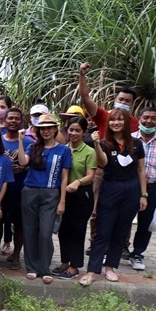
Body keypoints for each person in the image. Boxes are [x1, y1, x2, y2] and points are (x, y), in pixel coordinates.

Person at [81, 109, 147, 285]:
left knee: (120, 231)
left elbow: (141, 170)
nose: (116, 123)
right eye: (112, 120)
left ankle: (110, 267)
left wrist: (143, 194)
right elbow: (103, 163)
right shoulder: (104, 143)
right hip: (110, 188)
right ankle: (92, 271)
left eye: (120, 120)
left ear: (126, 122)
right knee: (103, 231)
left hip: (131, 189)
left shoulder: (136, 144)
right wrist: (96, 144)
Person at [17, 113, 72, 284]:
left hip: (51, 194)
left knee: (46, 233)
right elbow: (23, 162)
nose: (46, 131)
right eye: (42, 128)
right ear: (37, 130)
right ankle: (32, 267)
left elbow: (64, 177)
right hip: (30, 192)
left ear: (56, 129)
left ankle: (45, 268)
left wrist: (62, 200)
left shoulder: (64, 150)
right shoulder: (33, 147)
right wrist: (20, 141)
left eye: (49, 128)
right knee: (30, 230)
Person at [53, 117, 96, 279]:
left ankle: (74, 266)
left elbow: (91, 175)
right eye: (71, 130)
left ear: (84, 133)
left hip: (81, 195)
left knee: (77, 231)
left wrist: (77, 182)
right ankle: (64, 262)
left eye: (78, 130)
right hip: (63, 194)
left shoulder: (89, 151)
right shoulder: (63, 149)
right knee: (63, 229)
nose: (74, 133)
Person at [1, 108, 34, 269]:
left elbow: (33, 165)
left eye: (17, 118)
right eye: (10, 118)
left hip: (20, 190)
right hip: (1, 191)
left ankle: (16, 255)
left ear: (22, 122)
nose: (13, 121)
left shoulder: (28, 142)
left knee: (19, 225)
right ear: (5, 121)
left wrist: (24, 168)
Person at [78, 62, 139, 140]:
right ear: (115, 100)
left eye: (127, 101)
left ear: (132, 104)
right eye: (120, 99)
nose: (123, 102)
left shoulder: (137, 123)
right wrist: (82, 75)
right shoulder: (103, 116)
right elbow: (85, 97)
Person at [129, 107, 156, 271]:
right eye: (146, 117)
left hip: (153, 188)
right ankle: (116, 252)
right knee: (122, 221)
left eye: (153, 118)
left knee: (145, 224)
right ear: (139, 119)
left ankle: (137, 254)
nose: (149, 121)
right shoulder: (129, 139)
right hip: (130, 186)